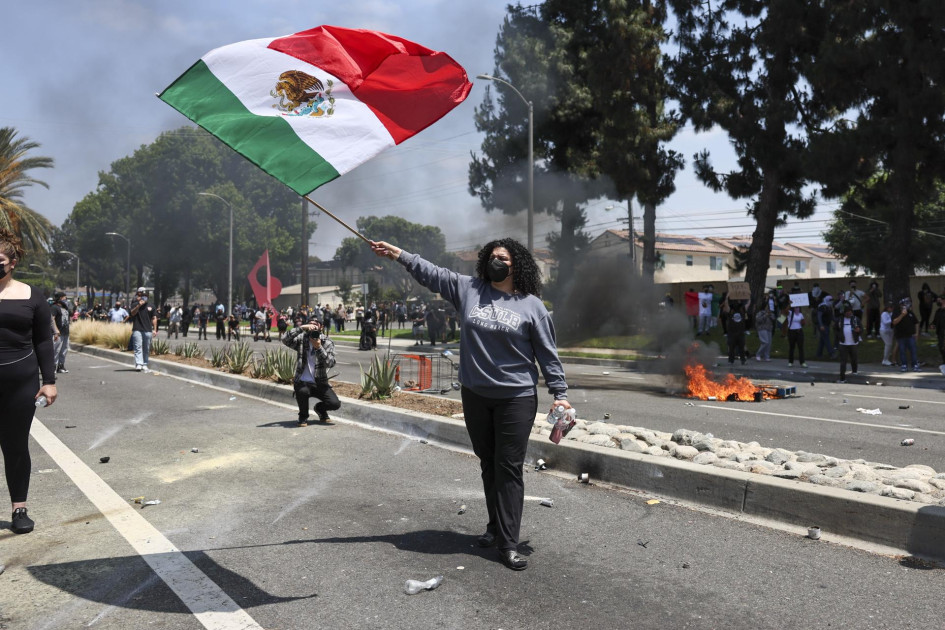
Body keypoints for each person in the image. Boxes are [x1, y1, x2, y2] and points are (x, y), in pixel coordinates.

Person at [371, 237, 571, 572]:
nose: (496, 261)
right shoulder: (470, 289)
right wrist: (399, 254)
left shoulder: (531, 305)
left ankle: (508, 543)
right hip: (475, 395)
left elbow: (547, 354)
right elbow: (431, 273)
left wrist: (559, 392)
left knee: (508, 467)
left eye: (503, 258)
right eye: (492, 256)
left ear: (516, 265)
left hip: (516, 398)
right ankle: (495, 528)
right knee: (488, 464)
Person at [0, 228, 58, 534]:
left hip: (20, 383)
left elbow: (44, 341)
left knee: (16, 446)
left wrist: (49, 380)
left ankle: (19, 509)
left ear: (11, 262)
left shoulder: (31, 295)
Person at [281, 317, 340, 426]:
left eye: (315, 324)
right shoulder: (302, 339)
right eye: (310, 324)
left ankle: (320, 409)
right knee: (302, 391)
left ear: (321, 327)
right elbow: (284, 339)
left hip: (320, 383)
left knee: (335, 404)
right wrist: (301, 327)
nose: (312, 326)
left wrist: (319, 347)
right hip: (303, 381)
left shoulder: (327, 342)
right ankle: (303, 416)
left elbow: (331, 363)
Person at [126, 287, 157, 372]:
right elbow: (132, 313)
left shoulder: (151, 305)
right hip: (137, 329)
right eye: (142, 295)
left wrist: (155, 329)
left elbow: (154, 318)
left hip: (148, 330)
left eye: (145, 295)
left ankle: (145, 364)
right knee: (138, 347)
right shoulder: (135, 304)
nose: (144, 297)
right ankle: (139, 364)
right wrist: (139, 305)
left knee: (146, 348)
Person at [834, 302, 861, 383]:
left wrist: (859, 330)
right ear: (844, 313)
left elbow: (861, 329)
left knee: (854, 358)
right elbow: (835, 329)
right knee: (843, 361)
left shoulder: (856, 319)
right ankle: (842, 378)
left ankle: (854, 371)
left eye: (850, 312)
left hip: (853, 343)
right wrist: (839, 336)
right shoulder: (840, 320)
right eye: (847, 312)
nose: (849, 313)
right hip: (843, 344)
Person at [893, 297, 920, 372]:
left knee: (913, 350)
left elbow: (916, 322)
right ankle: (904, 365)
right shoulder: (897, 312)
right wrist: (902, 315)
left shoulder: (911, 313)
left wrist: (917, 333)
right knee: (902, 350)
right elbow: (894, 322)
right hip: (901, 336)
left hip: (910, 335)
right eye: (905, 304)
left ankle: (915, 365)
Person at [722, 297, 748, 365]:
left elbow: (748, 304)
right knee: (731, 348)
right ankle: (731, 361)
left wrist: (748, 296)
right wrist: (727, 297)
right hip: (732, 333)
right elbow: (726, 304)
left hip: (740, 333)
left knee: (741, 348)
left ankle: (743, 360)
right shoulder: (730, 310)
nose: (737, 303)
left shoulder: (742, 310)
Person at [51, 292, 72, 373]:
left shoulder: (65, 308)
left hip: (66, 333)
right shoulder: (54, 307)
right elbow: (52, 319)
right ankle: (52, 367)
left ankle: (61, 366)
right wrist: (55, 331)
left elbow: (71, 314)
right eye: (64, 298)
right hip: (58, 333)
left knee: (64, 350)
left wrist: (75, 306)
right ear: (60, 298)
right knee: (55, 350)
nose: (66, 299)